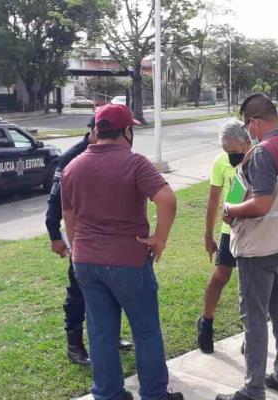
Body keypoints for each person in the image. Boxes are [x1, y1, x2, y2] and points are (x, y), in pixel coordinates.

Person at [61, 104, 183, 400]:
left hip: (87, 262)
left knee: (101, 332)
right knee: (145, 332)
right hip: (128, 261)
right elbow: (167, 199)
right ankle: (154, 395)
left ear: (98, 130)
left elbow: (69, 216)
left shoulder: (73, 166)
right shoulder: (135, 163)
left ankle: (107, 394)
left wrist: (79, 249)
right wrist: (160, 239)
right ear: (126, 131)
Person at [216, 93, 278, 400]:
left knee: (254, 319)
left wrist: (230, 211)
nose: (247, 132)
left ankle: (253, 390)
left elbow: (261, 204)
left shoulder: (262, 153)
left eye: (247, 125)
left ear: (254, 122)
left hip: (261, 248)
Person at [45, 117, 132, 366]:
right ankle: (75, 345)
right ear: (94, 131)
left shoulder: (117, 151)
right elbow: (55, 201)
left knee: (112, 289)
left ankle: (112, 336)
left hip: (110, 236)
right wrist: (54, 236)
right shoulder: (73, 157)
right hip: (80, 236)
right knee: (78, 291)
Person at [197, 120, 252, 354]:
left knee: (251, 285)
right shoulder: (221, 163)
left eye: (234, 151)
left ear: (246, 142)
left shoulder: (260, 158)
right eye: (226, 151)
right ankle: (206, 323)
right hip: (229, 231)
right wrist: (208, 234)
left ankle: (251, 333)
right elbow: (214, 200)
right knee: (220, 276)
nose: (230, 156)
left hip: (253, 232)